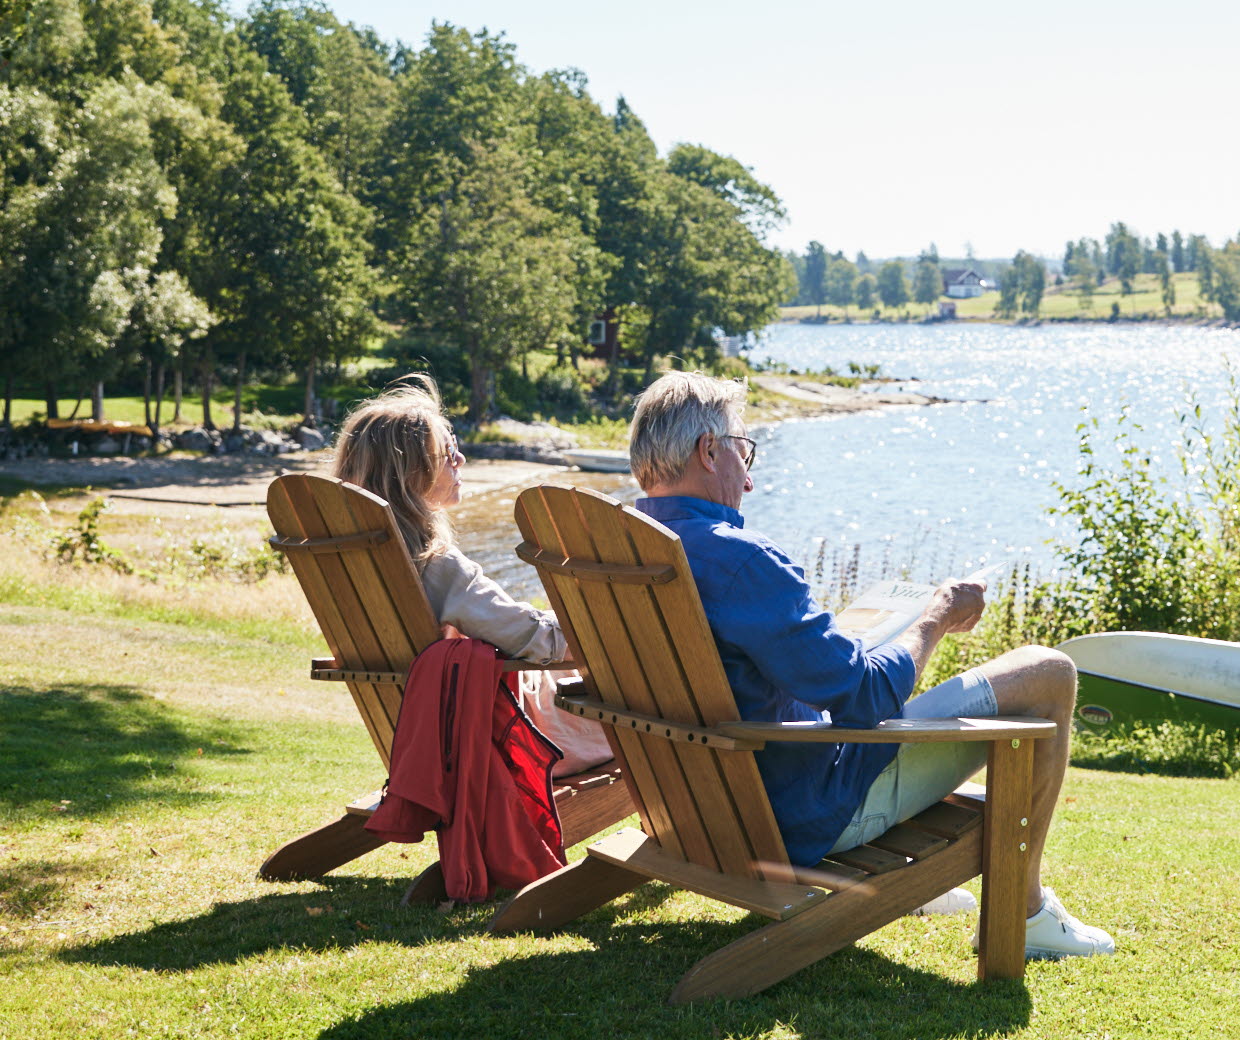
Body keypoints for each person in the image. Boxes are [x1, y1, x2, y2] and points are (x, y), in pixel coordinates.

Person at [628, 370, 1112, 960]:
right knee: (1048, 670)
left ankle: (935, 889)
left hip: (692, 806)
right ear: (709, 451)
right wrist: (934, 616)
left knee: (892, 670)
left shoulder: (625, 551)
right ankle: (1027, 913)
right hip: (802, 813)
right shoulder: (737, 561)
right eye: (742, 450)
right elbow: (866, 693)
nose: (749, 479)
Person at [331, 376, 613, 776]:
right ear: (411, 472)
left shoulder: (359, 562)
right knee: (641, 721)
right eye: (448, 453)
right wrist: (601, 616)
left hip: (427, 736)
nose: (460, 461)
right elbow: (542, 642)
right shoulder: (436, 567)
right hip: (512, 739)